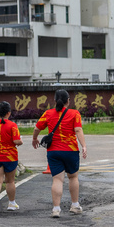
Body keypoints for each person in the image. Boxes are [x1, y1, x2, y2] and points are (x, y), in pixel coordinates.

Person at [32, 89, 88, 218]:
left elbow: (37, 128)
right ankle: (75, 206)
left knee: (57, 179)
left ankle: (56, 209)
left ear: (55, 101)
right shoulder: (74, 113)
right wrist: (84, 146)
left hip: (53, 151)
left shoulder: (48, 113)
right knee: (73, 177)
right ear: (68, 101)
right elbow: (78, 130)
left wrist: (35, 138)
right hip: (70, 151)